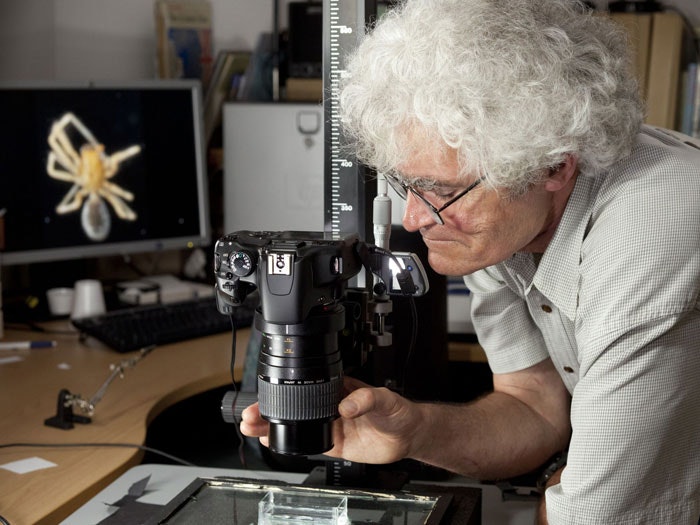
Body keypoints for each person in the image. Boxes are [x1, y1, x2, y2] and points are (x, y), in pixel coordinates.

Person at [241, 0, 700, 522]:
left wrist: (564, 493)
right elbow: (535, 409)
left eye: (438, 189)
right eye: (405, 183)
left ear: (553, 167)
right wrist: (412, 431)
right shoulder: (495, 217)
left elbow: (597, 515)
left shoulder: (653, 227)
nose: (413, 218)